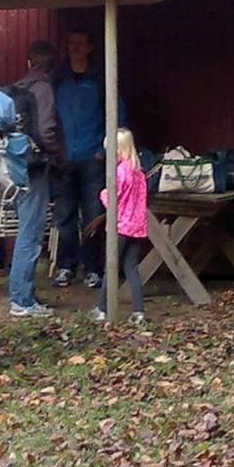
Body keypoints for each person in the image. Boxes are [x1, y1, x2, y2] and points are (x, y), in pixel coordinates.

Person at [51, 28, 125, 289]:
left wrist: (104, 151)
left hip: (93, 157)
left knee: (94, 216)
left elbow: (117, 116)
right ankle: (66, 266)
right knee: (65, 217)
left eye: (81, 43)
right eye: (72, 43)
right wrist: (54, 148)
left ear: (91, 48)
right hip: (64, 158)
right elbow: (48, 116)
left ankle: (93, 268)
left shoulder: (101, 78)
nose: (75, 47)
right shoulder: (57, 78)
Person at [8, 40, 62, 318]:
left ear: (29, 62)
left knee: (23, 230)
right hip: (35, 168)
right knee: (31, 232)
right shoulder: (44, 89)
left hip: (13, 167)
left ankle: (22, 292)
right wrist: (54, 152)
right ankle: (22, 299)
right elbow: (47, 128)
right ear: (51, 65)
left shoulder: (16, 88)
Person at [91, 128, 148, 325]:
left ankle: (101, 308)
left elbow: (113, 201)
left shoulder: (119, 172)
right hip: (137, 226)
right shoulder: (138, 172)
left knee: (111, 267)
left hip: (120, 226)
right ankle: (139, 311)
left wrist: (103, 194)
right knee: (132, 268)